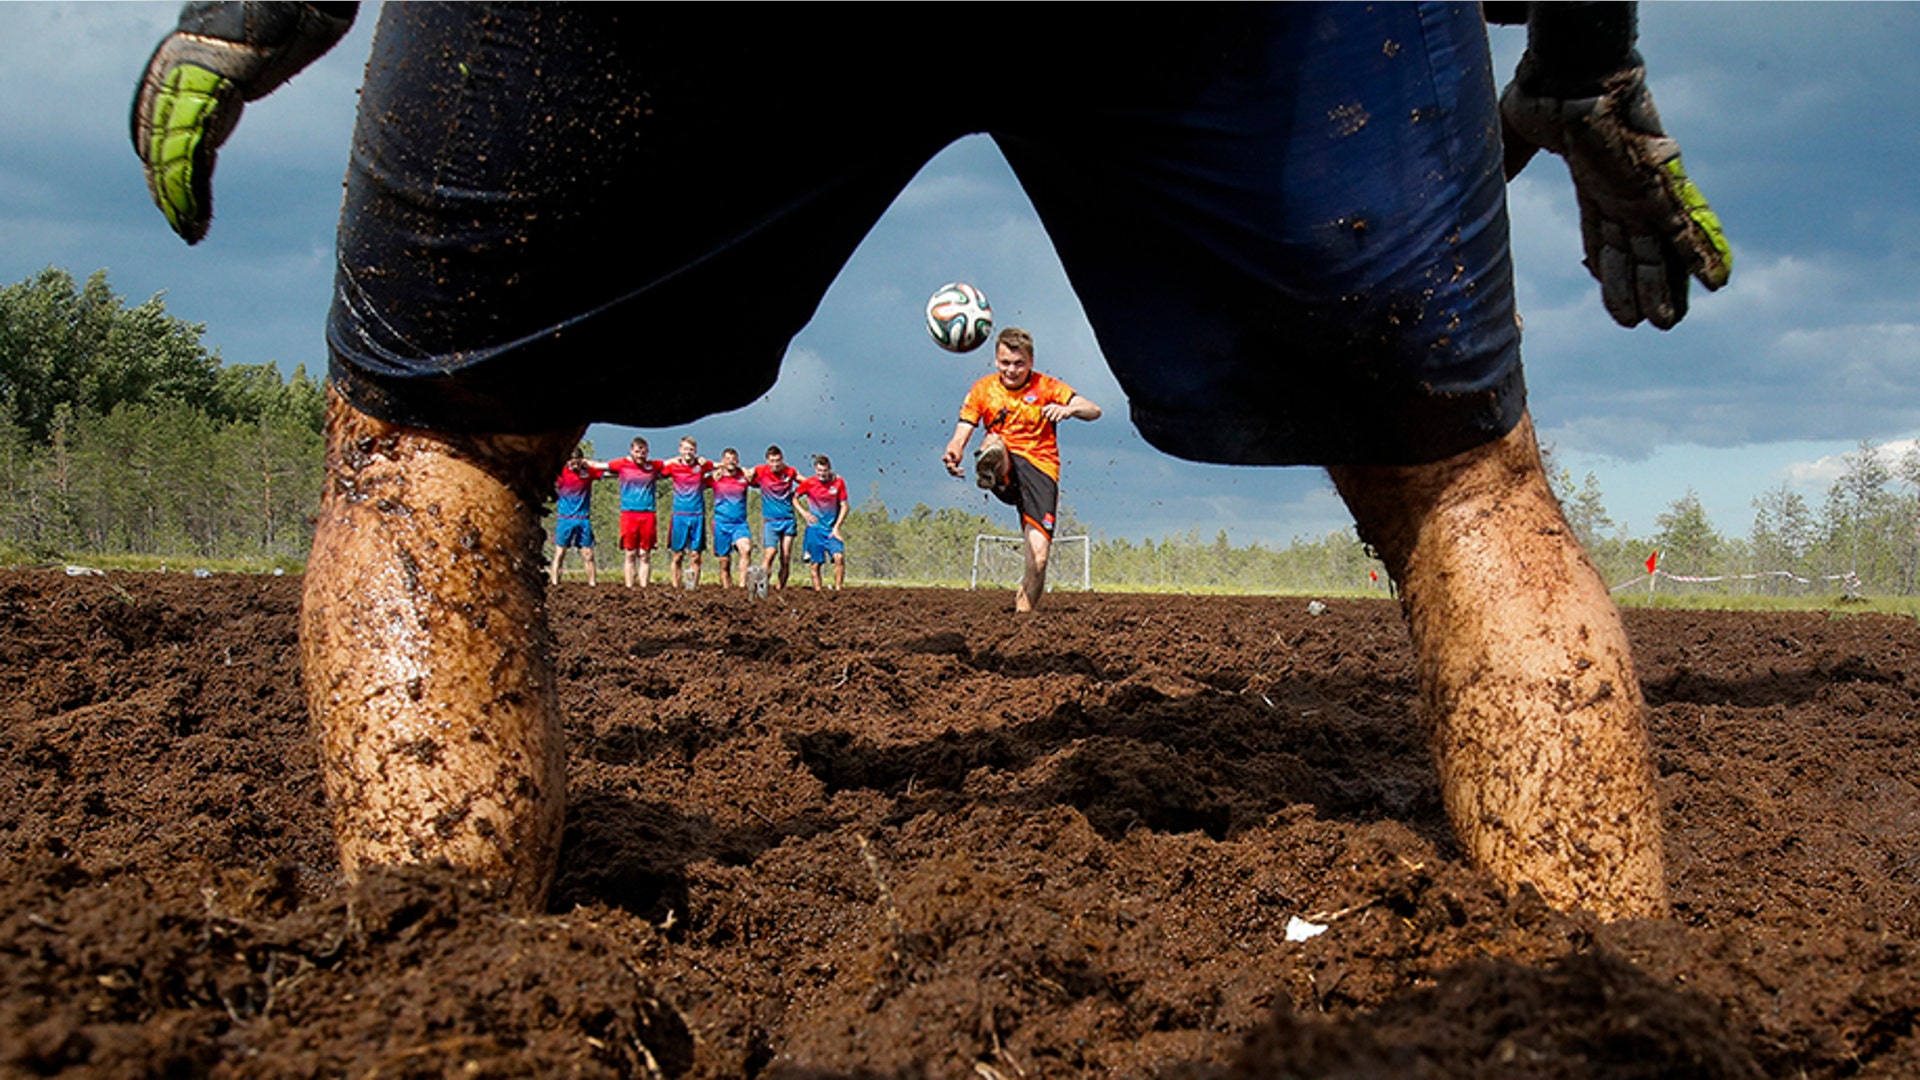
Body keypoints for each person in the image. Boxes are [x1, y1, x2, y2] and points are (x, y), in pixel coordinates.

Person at [134, 3, 1728, 919]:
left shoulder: (1022, 396)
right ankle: (1605, 997)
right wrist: (1584, 42)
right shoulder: (994, 395)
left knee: (434, 455)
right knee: (1460, 489)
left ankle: (443, 962)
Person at [942, 328, 1101, 613]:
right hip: (1007, 463)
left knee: (1038, 561)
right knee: (994, 442)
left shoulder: (1047, 387)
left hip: (1040, 470)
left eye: (1018, 363)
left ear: (1030, 361)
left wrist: (1069, 409)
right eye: (1005, 363)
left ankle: (1022, 621)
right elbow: (963, 429)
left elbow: (1093, 409)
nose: (1011, 370)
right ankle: (991, 471)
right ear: (996, 361)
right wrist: (955, 450)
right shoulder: (984, 389)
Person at [602, 436, 665, 588]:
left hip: (648, 514)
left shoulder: (653, 466)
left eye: (643, 452)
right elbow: (600, 466)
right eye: (637, 451)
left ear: (647, 452)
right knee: (630, 553)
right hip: (629, 514)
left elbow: (671, 463)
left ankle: (644, 587)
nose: (640, 455)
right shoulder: (622, 464)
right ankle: (629, 587)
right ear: (632, 451)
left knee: (645, 554)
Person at [661, 437, 713, 590]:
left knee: (695, 555)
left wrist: (704, 461)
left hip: (698, 515)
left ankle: (692, 587)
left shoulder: (702, 466)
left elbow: (720, 466)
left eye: (691, 449)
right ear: (680, 450)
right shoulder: (674, 466)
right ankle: (675, 586)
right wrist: (671, 460)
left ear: (695, 451)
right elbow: (659, 470)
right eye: (685, 449)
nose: (688, 452)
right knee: (678, 555)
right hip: (679, 515)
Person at [548, 448, 603, 587]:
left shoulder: (587, 472)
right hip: (565, 518)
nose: (575, 465)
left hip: (583, 518)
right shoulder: (561, 473)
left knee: (588, 554)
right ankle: (555, 582)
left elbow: (604, 469)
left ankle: (592, 583)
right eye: (572, 462)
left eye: (577, 462)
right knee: (560, 552)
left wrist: (589, 463)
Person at [751, 445, 802, 589]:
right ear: (767, 460)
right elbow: (745, 474)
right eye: (772, 461)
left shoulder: (789, 471)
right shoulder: (761, 471)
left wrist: (829, 480)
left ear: (782, 460)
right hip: (771, 521)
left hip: (788, 519)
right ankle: (761, 585)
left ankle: (780, 588)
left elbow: (806, 482)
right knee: (770, 554)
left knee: (785, 557)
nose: (775, 464)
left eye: (778, 461)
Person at [796, 455, 848, 592]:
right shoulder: (809, 483)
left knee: (839, 557)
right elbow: (794, 498)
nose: (822, 474)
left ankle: (838, 589)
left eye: (824, 471)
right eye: (819, 471)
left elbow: (844, 506)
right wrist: (804, 513)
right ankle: (818, 591)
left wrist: (837, 527)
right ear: (815, 470)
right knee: (815, 564)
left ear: (829, 469)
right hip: (815, 529)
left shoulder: (838, 482)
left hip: (831, 529)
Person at [709, 448, 753, 588]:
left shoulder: (743, 477)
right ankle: (727, 588)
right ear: (723, 461)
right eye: (727, 459)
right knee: (724, 561)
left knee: (746, 549)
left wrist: (747, 471)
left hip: (739, 523)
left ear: (737, 461)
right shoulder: (716, 478)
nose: (730, 461)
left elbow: (762, 478)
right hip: (721, 523)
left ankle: (741, 586)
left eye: (733, 459)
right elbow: (696, 479)